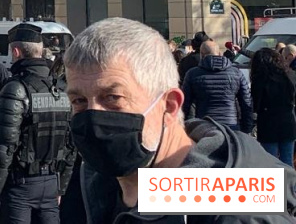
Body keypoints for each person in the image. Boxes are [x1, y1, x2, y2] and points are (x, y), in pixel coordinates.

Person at [60, 17, 296, 223]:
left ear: (170, 105)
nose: (94, 115)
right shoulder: (91, 185)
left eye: (113, 97)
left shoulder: (232, 209)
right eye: (79, 101)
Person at [0, 25, 74, 224]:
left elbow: (4, 148)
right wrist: (60, 187)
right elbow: (71, 146)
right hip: (51, 182)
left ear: (16, 51)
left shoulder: (16, 88)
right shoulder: (61, 89)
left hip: (21, 184)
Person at [182, 39, 253, 133]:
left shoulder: (192, 74)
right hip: (230, 125)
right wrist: (246, 129)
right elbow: (246, 102)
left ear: (201, 55)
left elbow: (185, 104)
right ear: (220, 53)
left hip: (204, 126)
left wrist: (184, 127)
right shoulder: (236, 73)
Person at [251, 48, 296, 166]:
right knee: (287, 162)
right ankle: (289, 184)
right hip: (288, 122)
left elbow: (256, 104)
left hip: (268, 124)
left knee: (270, 163)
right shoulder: (288, 76)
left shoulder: (259, 80)